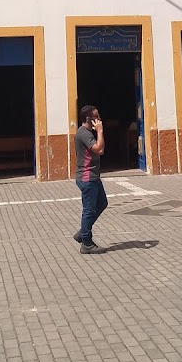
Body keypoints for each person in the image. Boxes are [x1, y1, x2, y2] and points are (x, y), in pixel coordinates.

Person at [74, 105, 108, 254]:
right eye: (96, 117)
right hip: (87, 178)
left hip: (93, 177)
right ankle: (86, 243)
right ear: (89, 119)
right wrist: (100, 131)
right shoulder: (84, 134)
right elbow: (99, 149)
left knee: (102, 203)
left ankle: (83, 232)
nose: (99, 119)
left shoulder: (86, 132)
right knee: (89, 211)